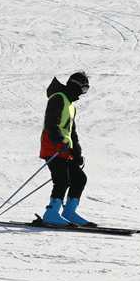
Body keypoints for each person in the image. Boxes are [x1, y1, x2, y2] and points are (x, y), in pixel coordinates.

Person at [39, 71, 94, 227]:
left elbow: (72, 132)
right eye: (84, 89)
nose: (83, 94)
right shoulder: (58, 99)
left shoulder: (70, 106)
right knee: (62, 180)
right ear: (76, 85)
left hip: (64, 149)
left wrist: (77, 153)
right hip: (53, 147)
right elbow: (51, 124)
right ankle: (51, 213)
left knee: (79, 178)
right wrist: (59, 142)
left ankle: (68, 212)